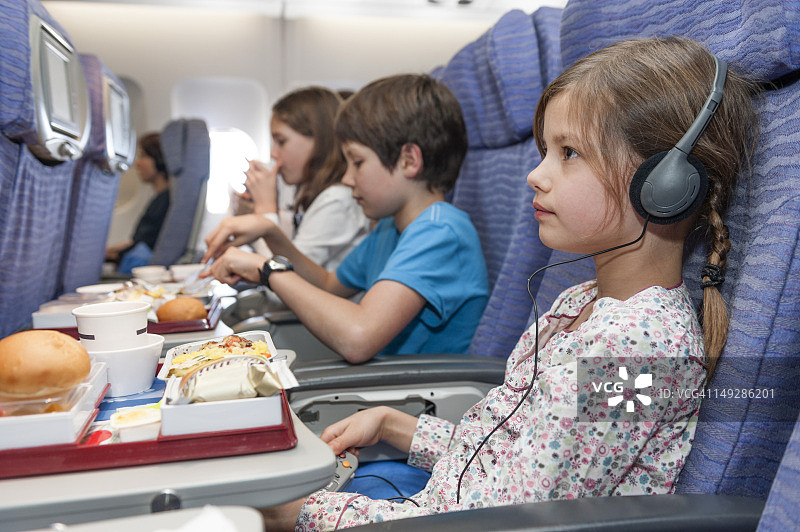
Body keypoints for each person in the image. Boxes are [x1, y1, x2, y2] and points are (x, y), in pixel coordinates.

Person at [260, 37, 759, 530]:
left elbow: (504, 519)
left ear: (664, 184)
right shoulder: (581, 302)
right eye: (545, 151)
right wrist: (395, 424)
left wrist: (304, 514)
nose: (535, 175)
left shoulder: (634, 354)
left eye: (569, 153)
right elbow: (514, 462)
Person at [202, 74, 489, 363]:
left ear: (409, 161)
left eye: (358, 162)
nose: (347, 178)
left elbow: (358, 337)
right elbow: (327, 284)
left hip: (420, 388)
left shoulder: (440, 232)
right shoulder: (390, 228)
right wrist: (271, 232)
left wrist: (267, 270)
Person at [206, 87, 371, 273]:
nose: (273, 153)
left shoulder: (338, 200)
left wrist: (265, 210)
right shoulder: (311, 193)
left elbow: (283, 277)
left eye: (282, 141)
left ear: (318, 141)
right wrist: (252, 216)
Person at [105, 132, 170, 273]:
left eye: (143, 156)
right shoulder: (160, 199)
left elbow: (146, 245)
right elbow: (139, 241)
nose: (137, 163)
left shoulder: (165, 202)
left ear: (159, 159)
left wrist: (111, 254)